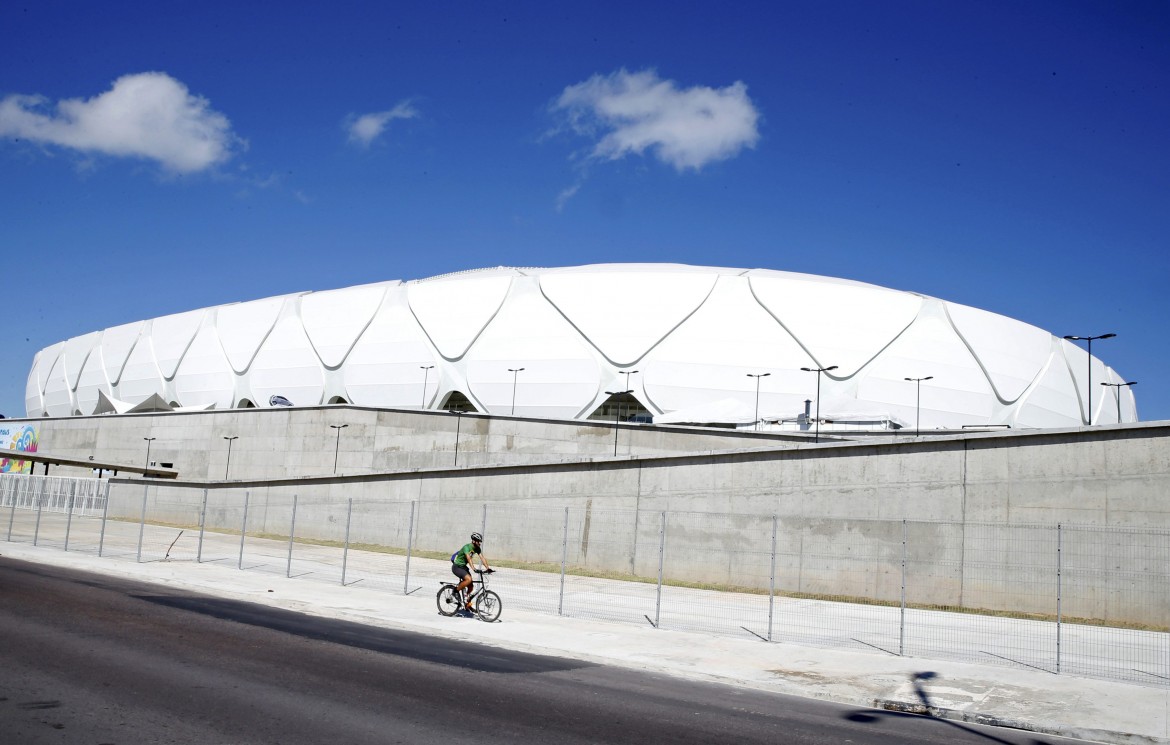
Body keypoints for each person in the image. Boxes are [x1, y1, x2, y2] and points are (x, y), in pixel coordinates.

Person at [452, 532, 492, 615]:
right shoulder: (467, 547)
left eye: (480, 541)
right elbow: (469, 558)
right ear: (474, 541)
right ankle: (455, 591)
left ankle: (467, 603)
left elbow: (482, 558)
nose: (480, 543)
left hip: (463, 568)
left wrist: (488, 568)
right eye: (478, 541)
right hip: (457, 567)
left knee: (471, 586)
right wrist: (473, 568)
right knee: (468, 579)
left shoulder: (477, 548)